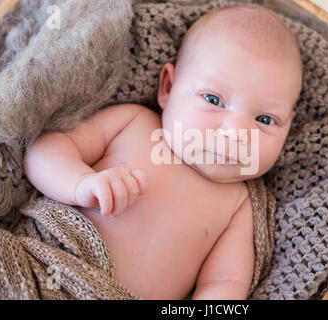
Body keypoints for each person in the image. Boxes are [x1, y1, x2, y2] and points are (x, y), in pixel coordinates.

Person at [23, 3, 302, 300]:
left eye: (264, 120)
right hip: (46, 271)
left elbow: (224, 284)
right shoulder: (132, 123)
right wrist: (79, 184)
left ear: (288, 128)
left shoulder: (240, 205)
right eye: (213, 99)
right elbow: (44, 150)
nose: (235, 134)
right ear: (168, 86)